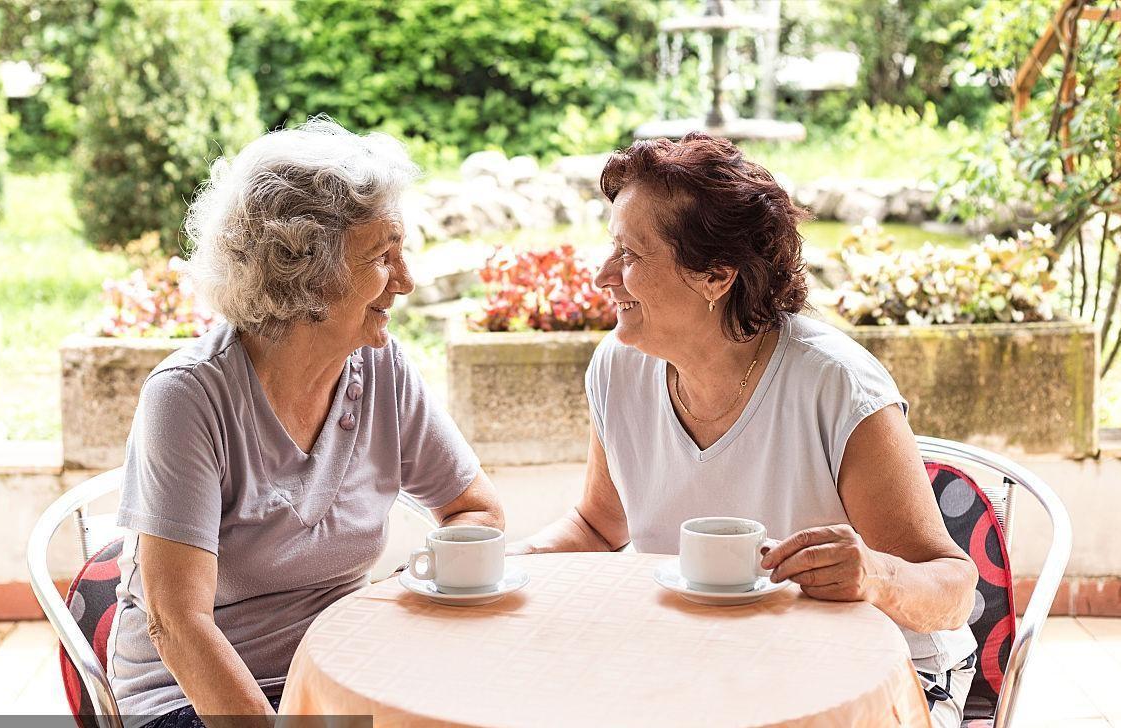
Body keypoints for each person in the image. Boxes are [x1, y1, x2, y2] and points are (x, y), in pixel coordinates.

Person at [512, 133, 979, 727]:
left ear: (715, 275)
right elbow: (597, 527)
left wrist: (877, 575)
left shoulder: (835, 385)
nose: (604, 275)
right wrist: (497, 562)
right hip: (713, 666)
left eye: (629, 255)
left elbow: (953, 589)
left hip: (882, 678)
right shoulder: (619, 367)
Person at [106, 119, 504, 728]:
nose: (406, 281)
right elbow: (177, 624)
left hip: (339, 676)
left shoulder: (381, 368)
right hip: (194, 696)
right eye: (382, 257)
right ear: (305, 274)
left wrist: (402, 597)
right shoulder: (188, 398)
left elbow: (476, 510)